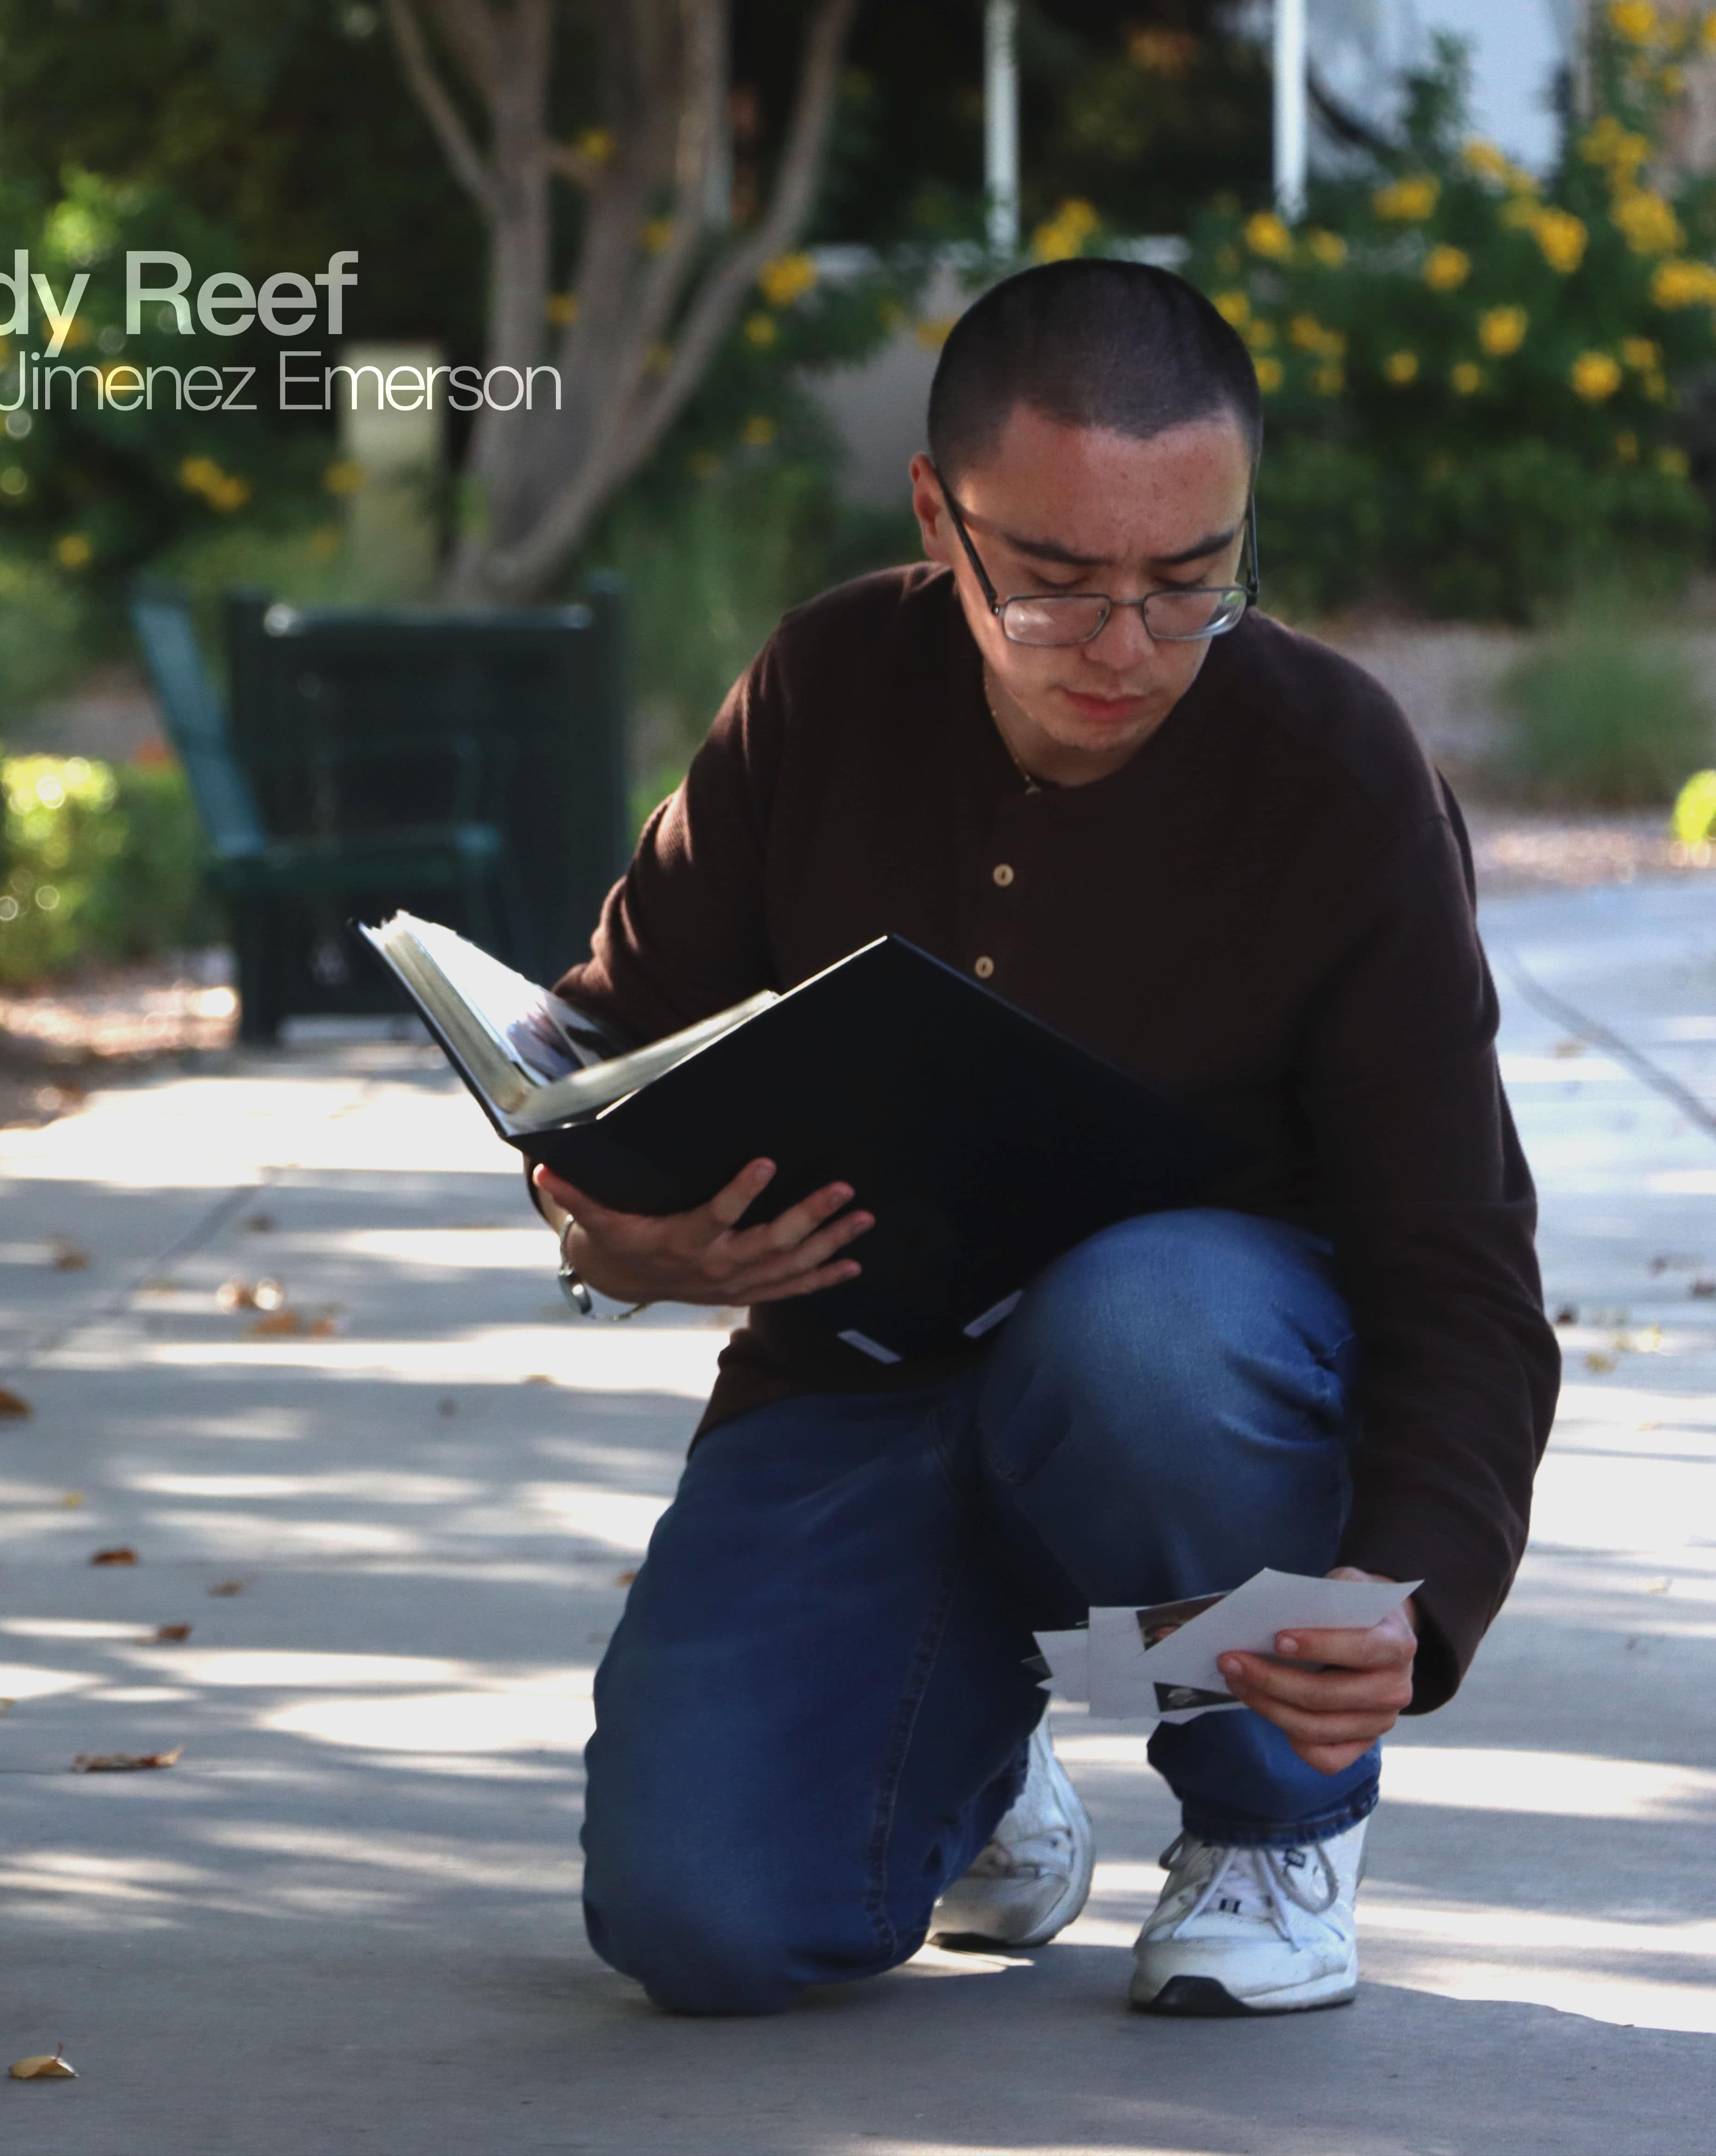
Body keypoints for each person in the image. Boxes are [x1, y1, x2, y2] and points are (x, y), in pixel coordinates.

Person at [529, 258, 1559, 2019]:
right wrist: (602, 1231)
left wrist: (1413, 1592)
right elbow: (605, 1047)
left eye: (1192, 582)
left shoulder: (1338, 771)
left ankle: (1265, 1824)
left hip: (1185, 1375)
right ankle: (958, 1750)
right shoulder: (825, 684)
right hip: (856, 1372)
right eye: (1061, 588)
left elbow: (1456, 1258)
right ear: (941, 517)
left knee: (1153, 1320)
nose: (1133, 648)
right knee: (696, 1922)